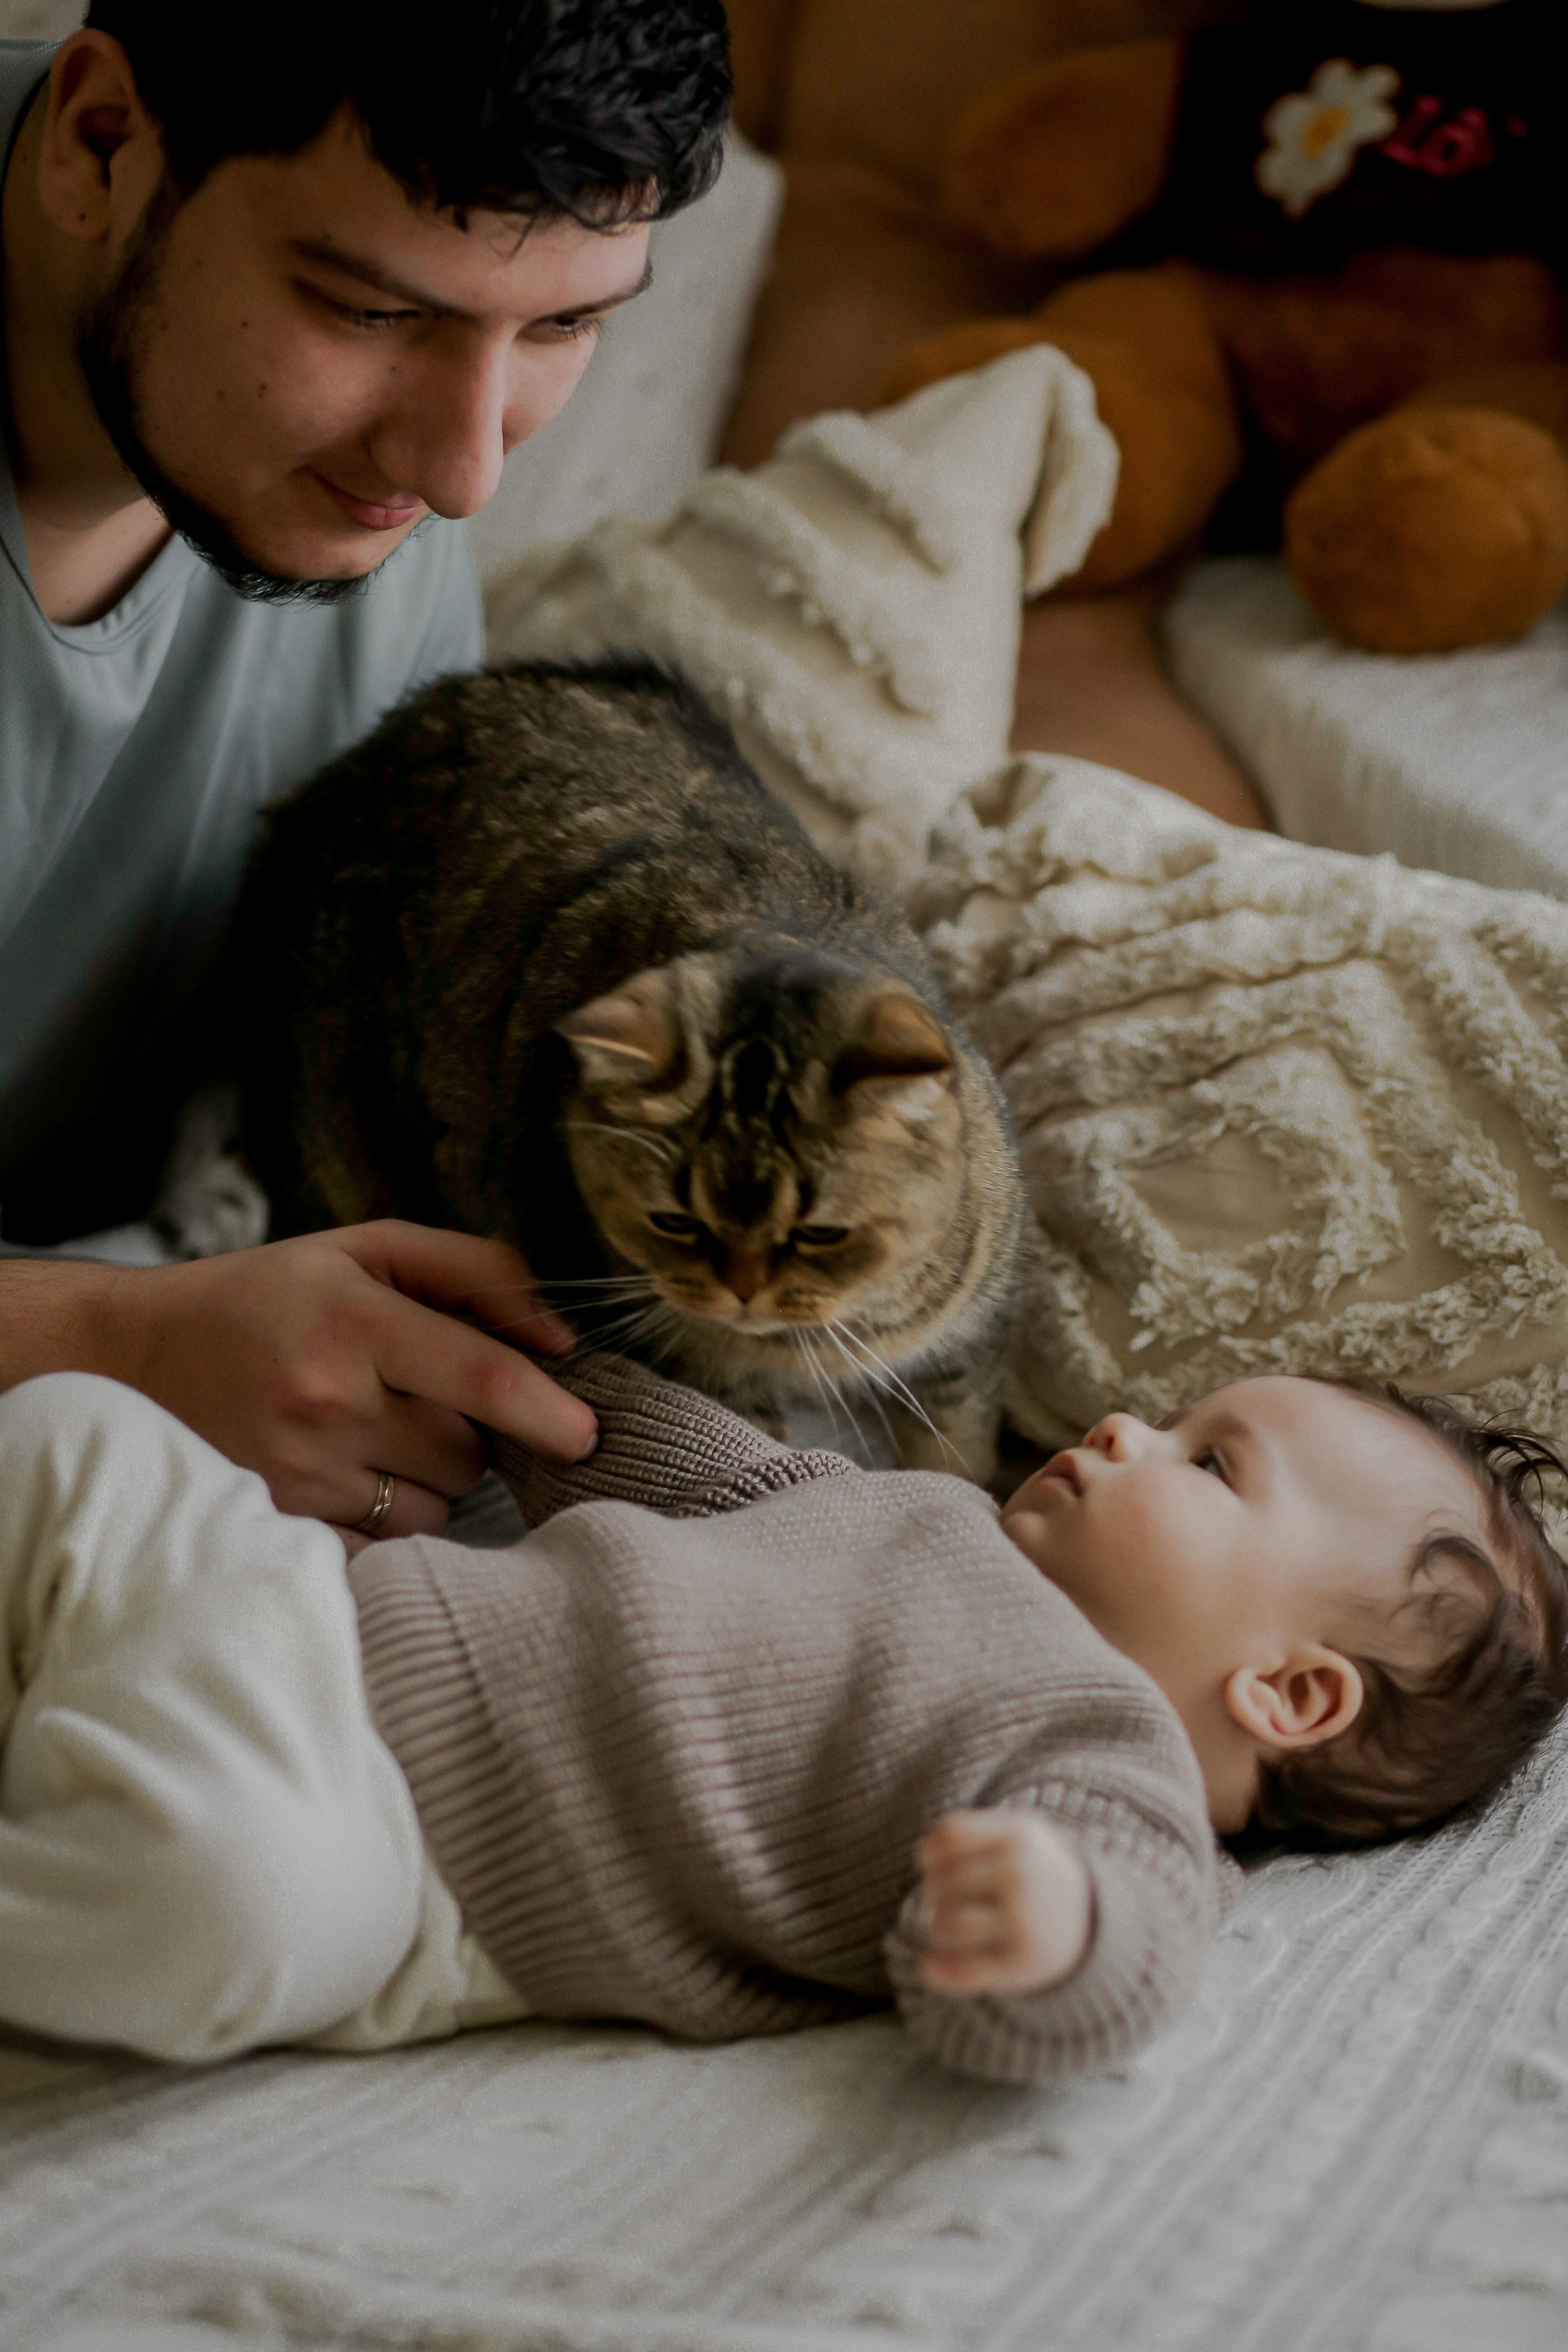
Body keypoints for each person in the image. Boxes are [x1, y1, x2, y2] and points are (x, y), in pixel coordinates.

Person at [0, 1352, 1562, 2077]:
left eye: (1207, 1462)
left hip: (386, 1861)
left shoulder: (1098, 1759)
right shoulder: (920, 1517)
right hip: (302, 1609)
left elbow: (1128, 1964)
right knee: (83, 1434)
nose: (1121, 1423)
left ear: (1285, 1693)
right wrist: (549, 1373)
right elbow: (691, 1463)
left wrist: (1056, 1930)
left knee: (221, 1897)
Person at [0, 3, 732, 1539]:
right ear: (100, 140)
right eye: (372, 315)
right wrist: (108, 1346)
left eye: (562, 328)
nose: (466, 472)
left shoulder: (353, 492)